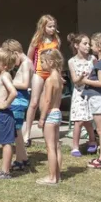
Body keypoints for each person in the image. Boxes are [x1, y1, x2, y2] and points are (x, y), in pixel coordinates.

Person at [22, 15, 61, 146]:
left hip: (51, 74)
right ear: (43, 26)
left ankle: (47, 130)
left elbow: (57, 59)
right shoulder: (37, 40)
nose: (52, 29)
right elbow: (29, 58)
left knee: (46, 103)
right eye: (50, 26)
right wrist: (30, 74)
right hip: (39, 72)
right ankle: (27, 132)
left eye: (54, 26)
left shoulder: (56, 40)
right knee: (33, 102)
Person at [0, 46, 22, 180]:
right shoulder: (2, 75)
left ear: (5, 65)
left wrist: (5, 104)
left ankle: (5, 171)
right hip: (1, 114)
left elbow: (13, 92)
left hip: (5, 113)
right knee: (4, 142)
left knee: (7, 143)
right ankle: (4, 169)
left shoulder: (5, 76)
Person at [81, 32, 101, 169]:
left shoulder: (100, 64)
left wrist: (85, 80)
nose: (90, 47)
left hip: (98, 99)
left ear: (99, 47)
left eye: (93, 45)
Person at [36, 49, 65, 186]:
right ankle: (57, 174)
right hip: (57, 113)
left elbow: (47, 101)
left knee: (50, 147)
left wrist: (42, 118)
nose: (41, 64)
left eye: (42, 61)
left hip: (50, 115)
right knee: (56, 146)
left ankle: (52, 177)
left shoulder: (49, 80)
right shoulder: (59, 78)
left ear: (51, 62)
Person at [67, 33, 97, 157]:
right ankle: (75, 146)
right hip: (79, 93)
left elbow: (97, 75)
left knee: (88, 120)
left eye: (89, 44)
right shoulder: (72, 61)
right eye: (85, 43)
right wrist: (81, 77)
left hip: (90, 92)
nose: (88, 46)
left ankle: (92, 140)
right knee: (78, 121)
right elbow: (75, 80)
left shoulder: (93, 59)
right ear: (76, 45)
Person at [6, 40, 33, 169]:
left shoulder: (26, 63)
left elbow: (25, 84)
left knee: (16, 131)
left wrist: (8, 82)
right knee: (17, 131)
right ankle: (23, 157)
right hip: (18, 100)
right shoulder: (24, 63)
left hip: (20, 100)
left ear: (15, 53)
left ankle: (20, 159)